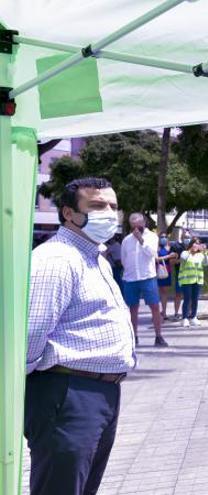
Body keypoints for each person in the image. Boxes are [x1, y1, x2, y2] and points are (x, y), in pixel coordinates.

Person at [26, 177, 136, 495]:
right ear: (69, 213)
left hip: (98, 393)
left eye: (113, 207)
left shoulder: (95, 257)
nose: (109, 214)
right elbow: (31, 333)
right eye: (97, 206)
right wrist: (47, 390)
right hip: (67, 393)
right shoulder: (56, 260)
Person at [121, 213, 167, 347]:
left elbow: (153, 254)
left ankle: (158, 336)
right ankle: (134, 336)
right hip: (130, 278)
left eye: (138, 226)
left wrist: (141, 240)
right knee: (132, 309)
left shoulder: (152, 237)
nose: (136, 229)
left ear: (144, 224)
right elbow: (124, 260)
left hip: (148, 277)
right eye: (133, 227)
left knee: (154, 307)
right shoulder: (126, 240)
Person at [178, 236, 208, 327]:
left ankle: (193, 317)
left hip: (198, 280)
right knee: (187, 299)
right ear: (191, 244)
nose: (196, 245)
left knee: (195, 299)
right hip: (186, 280)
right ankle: (184, 318)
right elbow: (183, 259)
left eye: (198, 244)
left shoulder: (200, 255)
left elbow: (206, 263)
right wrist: (190, 251)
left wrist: (204, 252)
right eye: (195, 243)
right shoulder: (185, 253)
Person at [156, 233, 178, 320]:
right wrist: (168, 256)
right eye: (162, 237)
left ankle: (164, 312)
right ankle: (158, 311)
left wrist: (174, 256)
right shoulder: (156, 248)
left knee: (164, 292)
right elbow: (156, 258)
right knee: (158, 292)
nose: (163, 238)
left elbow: (173, 259)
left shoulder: (169, 248)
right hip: (157, 271)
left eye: (165, 237)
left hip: (166, 272)